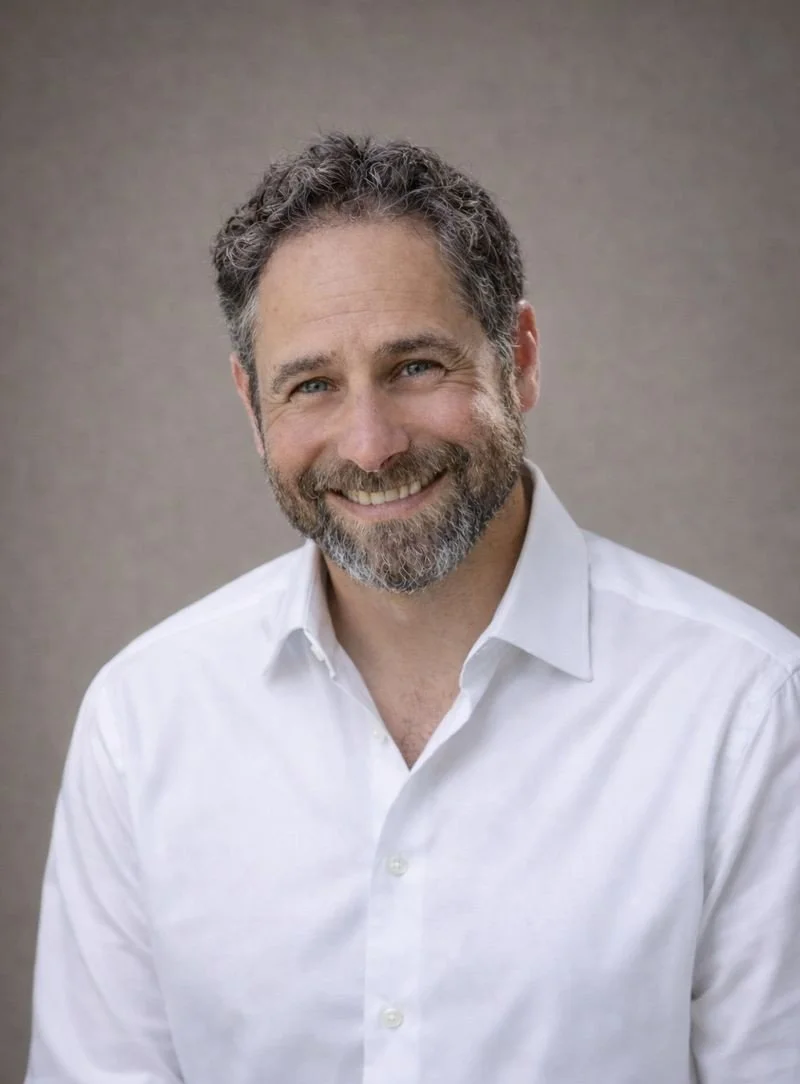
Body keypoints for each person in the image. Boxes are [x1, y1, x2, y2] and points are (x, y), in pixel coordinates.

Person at [25, 133, 799, 1083]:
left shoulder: (747, 710)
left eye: (417, 367)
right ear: (251, 405)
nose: (370, 444)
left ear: (519, 358)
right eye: (312, 385)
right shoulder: (141, 721)